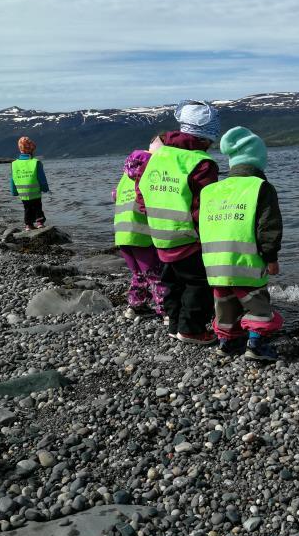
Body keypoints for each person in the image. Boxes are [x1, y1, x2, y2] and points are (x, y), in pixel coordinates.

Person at [199, 126, 283, 362]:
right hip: (246, 263)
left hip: (215, 265)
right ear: (259, 160)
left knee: (224, 305)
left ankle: (227, 343)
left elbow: (203, 227)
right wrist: (271, 257)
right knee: (258, 306)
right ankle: (256, 345)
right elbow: (268, 228)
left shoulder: (211, 190)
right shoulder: (260, 188)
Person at [139, 100, 220, 344]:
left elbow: (141, 193)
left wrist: (152, 214)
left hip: (159, 233)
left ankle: (175, 325)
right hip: (187, 236)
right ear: (205, 139)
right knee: (198, 283)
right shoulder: (201, 163)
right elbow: (206, 204)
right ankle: (191, 329)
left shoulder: (158, 156)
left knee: (172, 282)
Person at [113, 149, 167, 320]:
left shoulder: (123, 179)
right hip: (140, 235)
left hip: (122, 235)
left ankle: (135, 307)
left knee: (139, 273)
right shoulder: (146, 179)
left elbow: (114, 196)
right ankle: (167, 311)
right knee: (155, 274)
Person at [10, 137, 49, 230]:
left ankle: (28, 225)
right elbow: (41, 177)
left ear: (20, 149)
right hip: (35, 192)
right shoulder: (36, 162)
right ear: (32, 150)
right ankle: (39, 222)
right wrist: (45, 188)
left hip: (23, 193)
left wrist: (14, 191)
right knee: (37, 206)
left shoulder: (14, 164)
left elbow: (13, 179)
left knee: (27, 208)